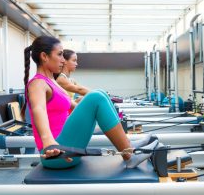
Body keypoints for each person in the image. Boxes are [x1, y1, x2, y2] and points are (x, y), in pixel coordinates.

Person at [21, 36, 157, 169]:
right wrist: (48, 141)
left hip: (65, 146)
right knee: (96, 96)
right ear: (44, 56)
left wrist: (93, 106)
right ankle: (130, 156)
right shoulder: (38, 83)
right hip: (56, 153)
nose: (63, 60)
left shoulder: (52, 82)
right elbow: (39, 109)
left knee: (99, 94)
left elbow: (74, 107)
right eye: (60, 55)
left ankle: (127, 145)